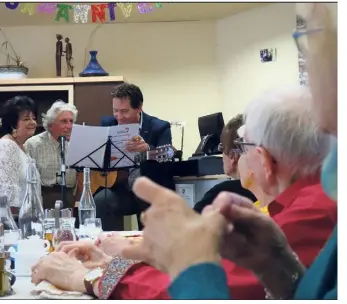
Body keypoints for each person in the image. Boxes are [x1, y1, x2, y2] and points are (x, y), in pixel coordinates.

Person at [116, 2, 337, 300]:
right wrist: (276, 262)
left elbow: (198, 290)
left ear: (264, 161)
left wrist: (100, 275)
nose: (307, 64)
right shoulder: (314, 198)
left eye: (311, 39)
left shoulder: (317, 207)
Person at [29, 86, 337, 300]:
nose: (235, 157)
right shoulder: (305, 205)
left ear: (266, 163)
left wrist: (87, 277)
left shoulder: (310, 214)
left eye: (241, 147)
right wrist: (110, 264)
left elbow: (193, 290)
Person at [94, 82, 174, 231]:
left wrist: (147, 149)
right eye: (115, 111)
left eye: (124, 111)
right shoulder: (107, 124)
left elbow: (169, 154)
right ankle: (109, 247)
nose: (119, 117)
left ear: (139, 108)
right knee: (101, 200)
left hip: (150, 188)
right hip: (121, 189)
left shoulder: (159, 126)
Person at [194, 114, 257, 214]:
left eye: (222, 149)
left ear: (232, 156)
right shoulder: (266, 190)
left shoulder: (222, 194)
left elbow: (192, 222)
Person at [25, 101, 78, 209]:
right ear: (51, 124)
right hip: (43, 198)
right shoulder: (33, 145)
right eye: (64, 121)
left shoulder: (76, 144)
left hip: (69, 197)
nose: (69, 126)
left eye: (71, 121)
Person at [0, 96, 41, 216]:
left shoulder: (22, 147)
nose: (33, 122)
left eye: (33, 118)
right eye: (26, 119)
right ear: (13, 123)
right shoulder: (6, 146)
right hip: (13, 223)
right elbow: (6, 192)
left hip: (27, 219)